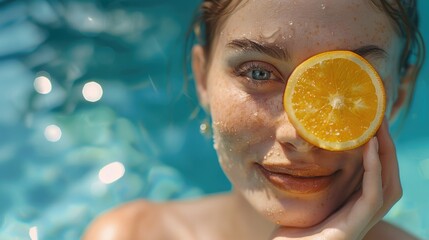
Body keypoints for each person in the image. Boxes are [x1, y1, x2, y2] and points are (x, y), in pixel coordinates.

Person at [83, 0, 425, 239]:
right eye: (259, 73)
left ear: (400, 95)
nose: (298, 134)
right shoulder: (128, 235)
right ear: (202, 77)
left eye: (347, 85)